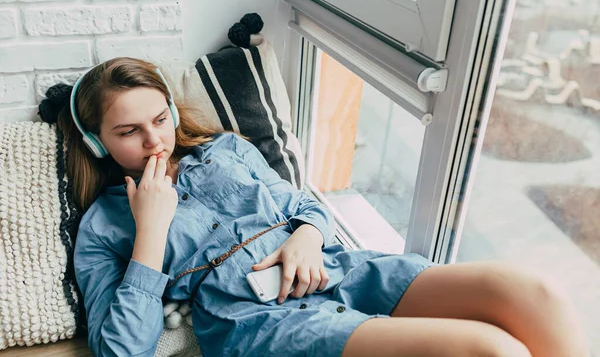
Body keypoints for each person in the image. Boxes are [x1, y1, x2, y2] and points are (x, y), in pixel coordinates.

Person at [51, 57, 589, 357]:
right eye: (128, 131)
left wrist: (309, 231)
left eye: (160, 119)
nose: (154, 141)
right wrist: (150, 232)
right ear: (97, 144)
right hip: (261, 320)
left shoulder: (227, 149)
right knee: (490, 352)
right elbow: (121, 352)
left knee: (535, 295)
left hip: (339, 269)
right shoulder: (103, 227)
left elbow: (303, 202)